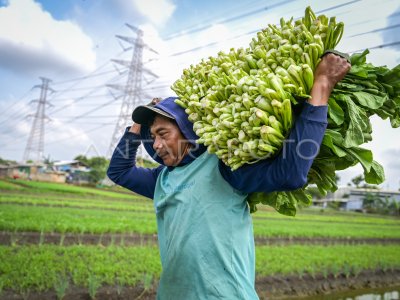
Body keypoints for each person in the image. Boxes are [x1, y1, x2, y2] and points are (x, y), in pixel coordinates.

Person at [107, 53, 351, 299]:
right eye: (152, 137)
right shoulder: (161, 180)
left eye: (163, 133)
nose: (157, 145)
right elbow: (119, 171)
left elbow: (290, 174)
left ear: (187, 130)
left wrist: (321, 86)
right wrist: (137, 127)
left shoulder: (221, 167)